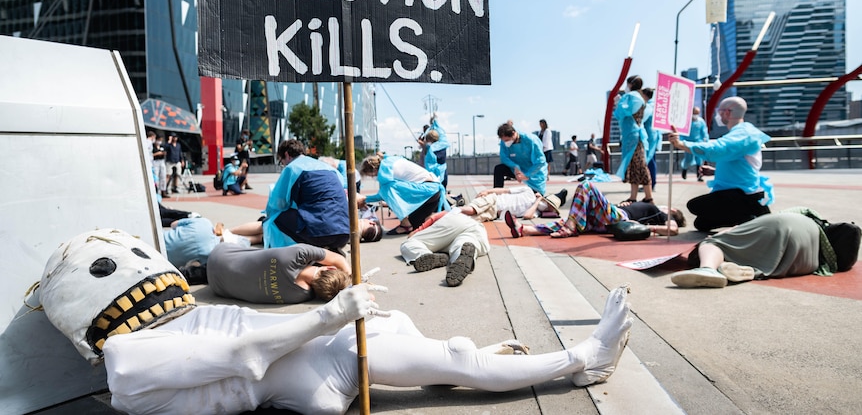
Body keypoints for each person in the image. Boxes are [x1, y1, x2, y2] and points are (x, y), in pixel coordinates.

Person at [39, 228, 634, 415]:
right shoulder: (125, 363)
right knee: (451, 357)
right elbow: (241, 355)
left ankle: (481, 366)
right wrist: (329, 316)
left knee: (414, 332)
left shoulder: (163, 329)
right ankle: (584, 361)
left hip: (303, 353)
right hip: (305, 368)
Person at [670, 209, 854, 288]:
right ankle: (746, 271)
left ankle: (708, 269)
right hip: (806, 256)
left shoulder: (811, 218)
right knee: (769, 263)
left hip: (789, 236)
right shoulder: (822, 259)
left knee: (712, 243)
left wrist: (718, 237)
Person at [668, 96, 774, 232]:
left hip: (743, 195)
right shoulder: (742, 132)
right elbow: (739, 162)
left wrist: (681, 144)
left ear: (727, 112)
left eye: (720, 111)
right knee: (701, 223)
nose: (718, 115)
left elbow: (717, 149)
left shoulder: (743, 134)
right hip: (739, 192)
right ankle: (744, 217)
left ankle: (749, 216)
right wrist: (714, 171)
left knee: (695, 206)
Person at [180, 242, 354, 304]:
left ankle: (192, 267)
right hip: (218, 287)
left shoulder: (298, 254)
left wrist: (351, 279)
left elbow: (338, 259)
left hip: (219, 256)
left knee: (245, 246)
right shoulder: (300, 296)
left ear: (329, 269)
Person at [505, 181, 685, 239]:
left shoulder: (662, 214)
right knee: (573, 219)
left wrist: (651, 229)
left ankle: (570, 227)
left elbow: (674, 229)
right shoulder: (651, 207)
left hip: (619, 218)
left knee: (587, 186)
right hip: (607, 218)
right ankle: (523, 230)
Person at [264, 139, 350, 250]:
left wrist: (267, 219)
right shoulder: (329, 168)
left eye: (282, 162)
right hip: (344, 232)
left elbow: (278, 203)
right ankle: (330, 250)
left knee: (277, 217)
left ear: (286, 155)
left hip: (319, 234)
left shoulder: (292, 168)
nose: (283, 165)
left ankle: (310, 251)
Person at [358, 152, 449, 235]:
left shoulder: (384, 173)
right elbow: (395, 156)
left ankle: (405, 225)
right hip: (434, 190)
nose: (375, 178)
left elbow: (383, 194)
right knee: (415, 222)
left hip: (428, 192)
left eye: (373, 175)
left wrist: (365, 199)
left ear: (373, 170)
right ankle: (434, 217)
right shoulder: (390, 160)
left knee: (388, 189)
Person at [400, 209, 490, 287]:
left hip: (452, 223)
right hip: (479, 231)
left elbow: (411, 235)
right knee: (463, 244)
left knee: (409, 243)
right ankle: (458, 258)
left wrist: (417, 229)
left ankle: (424, 254)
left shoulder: (439, 215)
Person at [613, 76, 653, 204]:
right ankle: (633, 196)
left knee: (640, 165)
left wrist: (618, 103)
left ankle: (649, 197)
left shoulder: (632, 97)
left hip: (633, 136)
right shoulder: (638, 97)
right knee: (635, 166)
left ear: (630, 84)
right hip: (635, 135)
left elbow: (622, 112)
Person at [163, 217, 257, 268]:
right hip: (162, 261)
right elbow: (193, 265)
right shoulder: (210, 254)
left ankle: (259, 237)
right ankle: (259, 238)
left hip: (155, 241)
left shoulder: (204, 223)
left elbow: (173, 224)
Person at [493, 122, 548, 195]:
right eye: (503, 141)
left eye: (507, 140)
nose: (505, 143)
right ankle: (496, 195)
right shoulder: (504, 141)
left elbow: (540, 161)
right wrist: (515, 167)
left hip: (533, 170)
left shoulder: (531, 140)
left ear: (513, 133)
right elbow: (504, 157)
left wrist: (527, 175)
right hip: (517, 169)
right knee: (499, 169)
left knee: (537, 196)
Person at [460, 186, 567, 221]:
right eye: (547, 204)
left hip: (494, 213)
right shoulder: (528, 191)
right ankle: (455, 209)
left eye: (549, 208)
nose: (546, 207)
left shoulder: (535, 212)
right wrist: (488, 191)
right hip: (494, 200)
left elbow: (526, 216)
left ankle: (450, 213)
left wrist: (538, 202)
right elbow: (505, 190)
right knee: (471, 210)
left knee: (470, 219)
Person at [418, 116, 450, 188]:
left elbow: (429, 164)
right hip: (443, 173)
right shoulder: (442, 146)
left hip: (435, 177)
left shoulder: (431, 149)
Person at [680, 107, 709, 181]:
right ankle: (684, 170)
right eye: (694, 113)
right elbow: (682, 133)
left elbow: (704, 132)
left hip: (698, 142)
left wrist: (705, 140)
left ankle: (699, 175)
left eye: (697, 113)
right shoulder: (687, 122)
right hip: (688, 143)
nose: (695, 115)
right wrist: (681, 142)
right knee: (688, 159)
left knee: (699, 159)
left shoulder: (701, 121)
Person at [641, 88, 662, 191]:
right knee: (650, 160)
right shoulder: (654, 105)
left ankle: (649, 184)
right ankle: (650, 183)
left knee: (648, 161)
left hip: (649, 137)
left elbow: (640, 119)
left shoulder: (648, 106)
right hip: (653, 136)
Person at [151, 132, 168, 198]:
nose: (160, 141)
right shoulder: (152, 146)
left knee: (163, 176)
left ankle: (163, 191)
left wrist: (163, 153)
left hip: (162, 161)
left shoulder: (162, 146)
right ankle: (156, 191)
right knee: (156, 176)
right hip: (155, 161)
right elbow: (151, 154)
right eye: (159, 140)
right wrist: (157, 153)